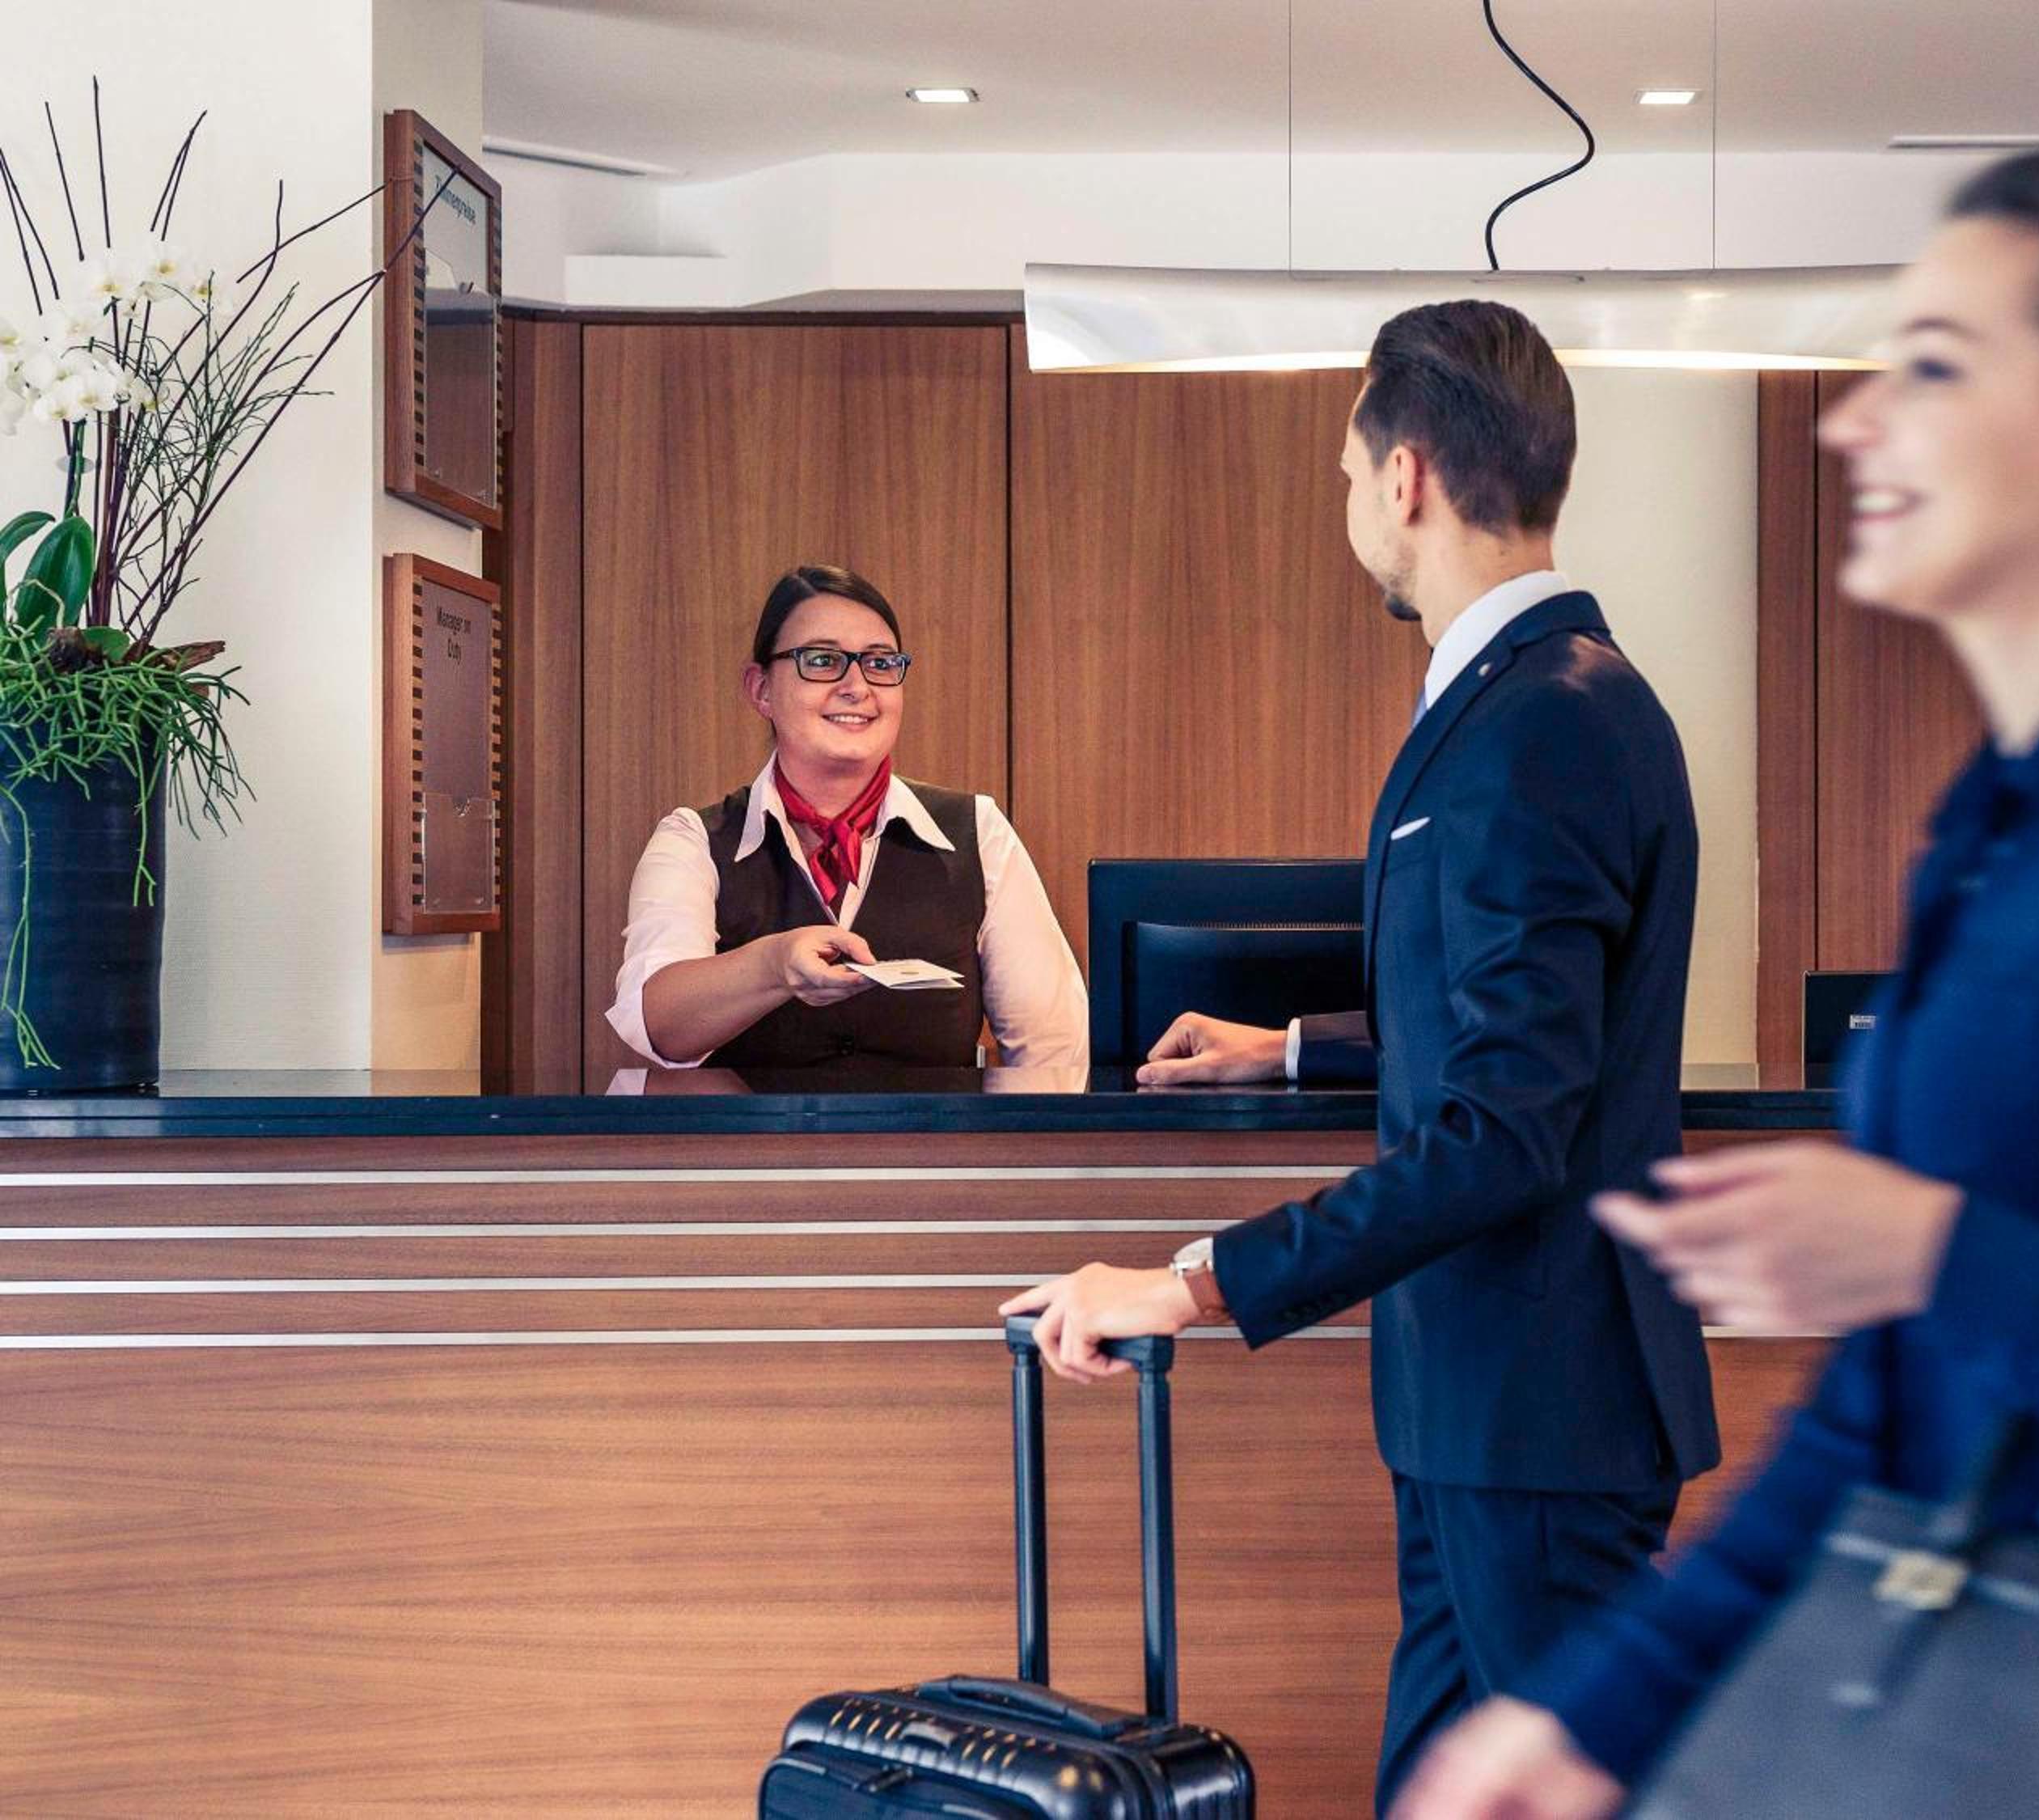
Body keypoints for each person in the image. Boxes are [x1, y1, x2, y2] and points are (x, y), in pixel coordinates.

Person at [1394, 150, 2039, 1819]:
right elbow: (1884, 1409)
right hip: (2011, 1728)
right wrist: (1592, 1717)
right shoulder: (1998, 833)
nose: (1853, 424)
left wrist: (1947, 1254)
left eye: (1935, 367)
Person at [1000, 300, 1720, 1814]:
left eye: (1345, 475)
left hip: (1537, 1418)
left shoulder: (1545, 723)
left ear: (1405, 478)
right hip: (1487, 1415)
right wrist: (1290, 1048)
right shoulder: (1530, 700)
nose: (1348, 506)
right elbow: (1507, 1028)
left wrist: (1192, 1281)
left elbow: (1506, 1128)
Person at [607, 563, 1087, 1073]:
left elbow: (1054, 1050)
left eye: (880, 663)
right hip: (748, 1129)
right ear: (761, 689)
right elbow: (658, 1025)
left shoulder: (977, 831)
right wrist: (773, 965)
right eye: (822, 660)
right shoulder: (693, 839)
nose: (857, 686)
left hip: (932, 1128)